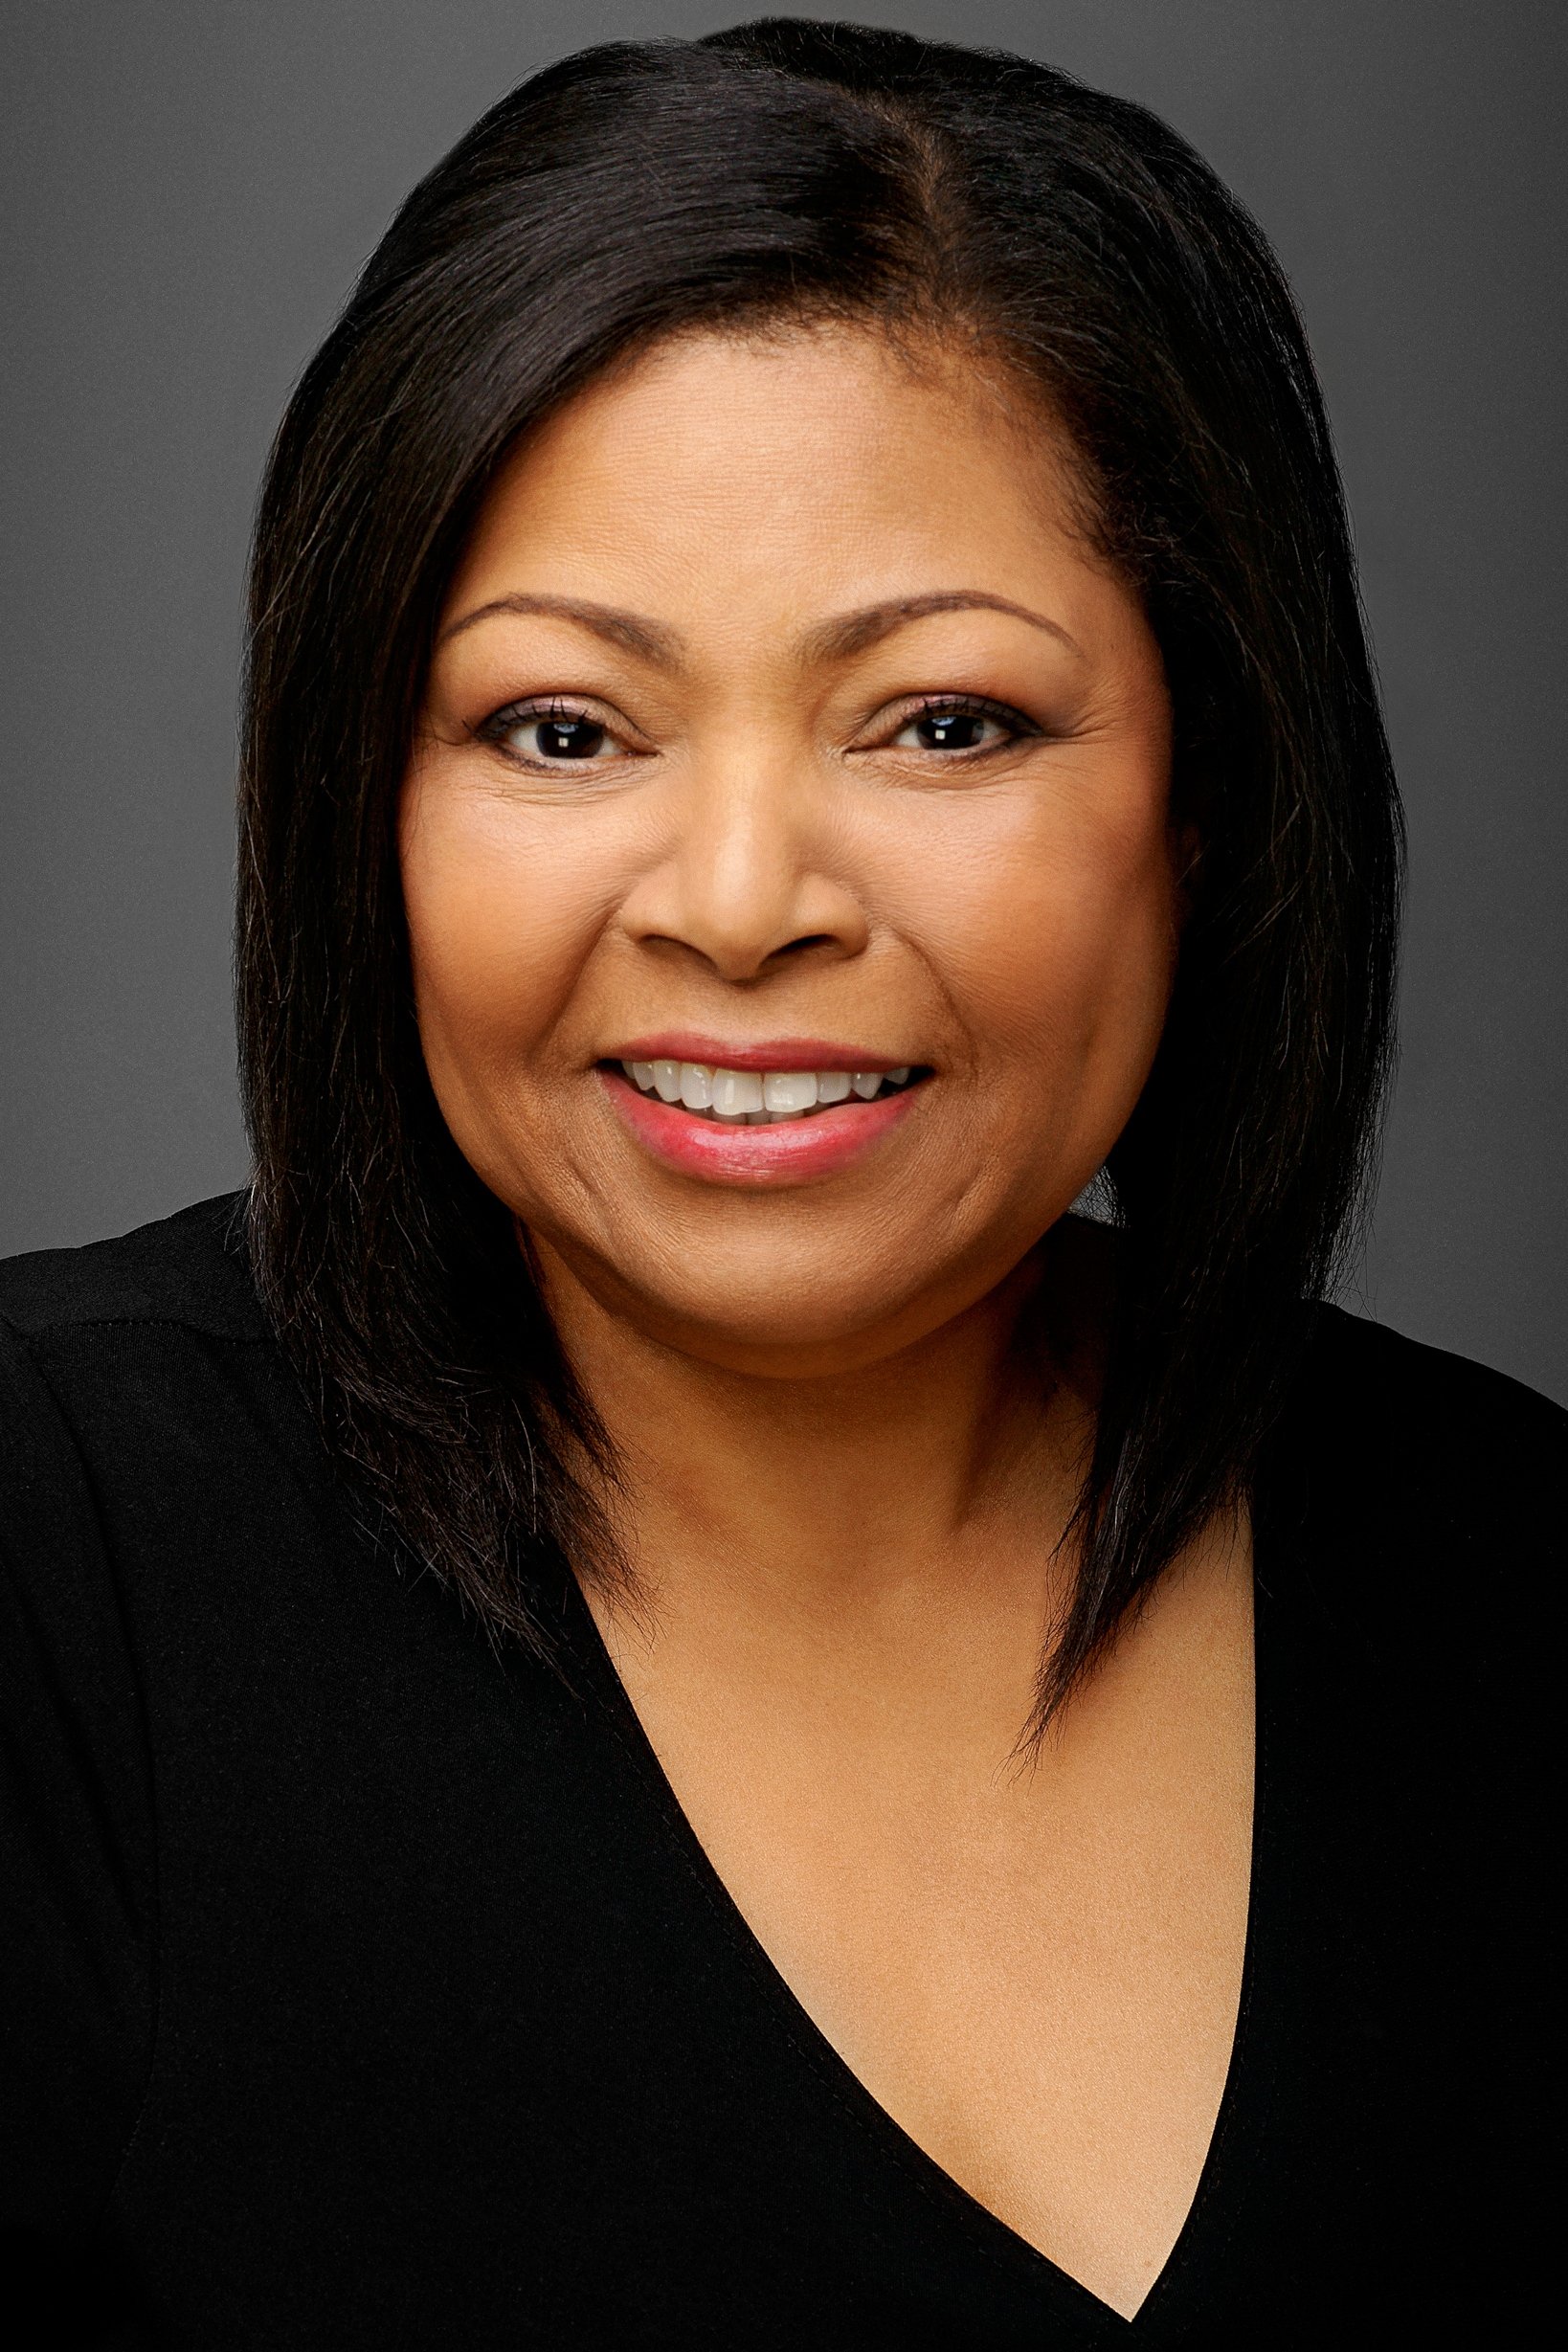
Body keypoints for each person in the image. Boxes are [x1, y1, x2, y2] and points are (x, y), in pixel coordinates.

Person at [1, 19, 1558, 2345]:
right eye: (561, 727)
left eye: (944, 721)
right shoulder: (56, 1553)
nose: (740, 903)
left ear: (1213, 793)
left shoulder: (1511, 1578)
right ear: (363, 807)